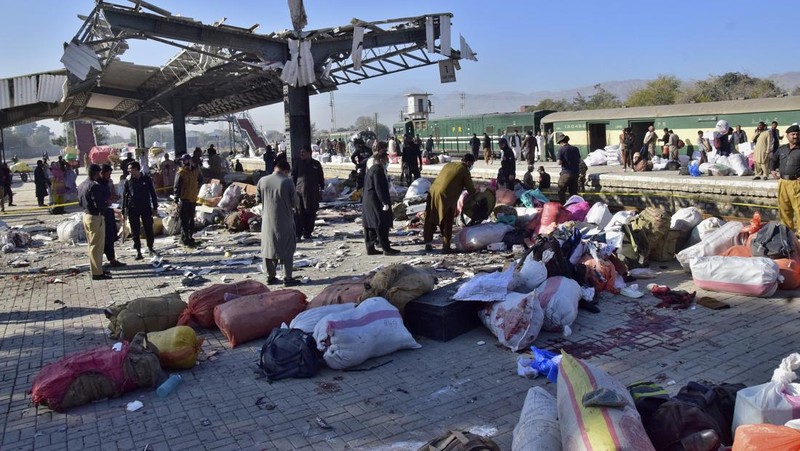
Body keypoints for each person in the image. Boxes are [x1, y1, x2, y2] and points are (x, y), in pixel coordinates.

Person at [257, 159, 301, 286]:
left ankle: (270, 277)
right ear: (285, 170)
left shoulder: (262, 181)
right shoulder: (287, 182)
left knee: (269, 248)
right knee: (286, 248)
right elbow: (295, 203)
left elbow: (258, 199)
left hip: (267, 221)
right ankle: (287, 278)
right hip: (284, 220)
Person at [423, 154, 476, 254]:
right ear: (468, 162)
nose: (471, 166)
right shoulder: (464, 170)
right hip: (445, 197)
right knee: (447, 220)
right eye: (472, 164)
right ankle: (446, 246)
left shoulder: (449, 165)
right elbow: (471, 190)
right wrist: (477, 194)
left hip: (433, 192)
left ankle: (428, 243)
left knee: (430, 217)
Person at [362, 152, 400, 256]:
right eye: (386, 159)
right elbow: (379, 188)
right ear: (382, 159)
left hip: (368, 201)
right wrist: (384, 202)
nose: (387, 161)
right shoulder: (378, 171)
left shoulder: (372, 169)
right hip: (376, 202)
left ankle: (370, 248)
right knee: (381, 225)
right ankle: (386, 249)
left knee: (370, 225)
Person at [77, 164, 111, 280]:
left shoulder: (82, 185)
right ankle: (97, 273)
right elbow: (99, 204)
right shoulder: (94, 186)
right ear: (96, 174)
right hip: (95, 217)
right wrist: (107, 205)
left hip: (86, 215)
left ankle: (97, 269)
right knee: (97, 246)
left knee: (92, 245)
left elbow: (80, 202)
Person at [124, 161, 159, 259]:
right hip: (133, 208)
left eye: (130, 169)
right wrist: (124, 211)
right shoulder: (128, 180)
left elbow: (153, 193)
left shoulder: (146, 179)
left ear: (136, 169)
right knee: (135, 230)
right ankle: (138, 251)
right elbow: (125, 196)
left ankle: (150, 248)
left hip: (146, 207)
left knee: (148, 228)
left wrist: (155, 207)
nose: (128, 171)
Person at [770, 124, 800, 232]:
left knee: (799, 210)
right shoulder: (782, 149)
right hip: (782, 183)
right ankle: (788, 233)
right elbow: (773, 159)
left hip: (796, 183)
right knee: (784, 209)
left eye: (797, 134)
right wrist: (772, 170)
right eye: (793, 134)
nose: (795, 136)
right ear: (787, 136)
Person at [291, 146, 325, 240]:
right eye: (301, 152)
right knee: (299, 213)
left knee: (311, 212)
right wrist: (292, 190)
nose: (301, 154)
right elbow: (293, 176)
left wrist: (322, 189)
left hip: (312, 193)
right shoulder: (297, 163)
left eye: (304, 152)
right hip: (299, 192)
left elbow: (321, 177)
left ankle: (308, 232)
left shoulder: (316, 164)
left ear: (309, 153)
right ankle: (298, 233)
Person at [100, 164, 126, 268]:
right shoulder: (96, 184)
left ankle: (112, 259)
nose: (109, 177)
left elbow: (111, 194)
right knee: (103, 238)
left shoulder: (108, 182)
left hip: (109, 212)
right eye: (108, 175)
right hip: (101, 215)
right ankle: (99, 261)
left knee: (110, 237)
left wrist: (115, 198)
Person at [173, 153, 202, 246]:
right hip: (184, 199)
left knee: (191, 220)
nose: (183, 162)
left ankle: (190, 237)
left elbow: (200, 179)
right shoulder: (181, 173)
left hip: (193, 198)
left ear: (189, 161)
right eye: (183, 161)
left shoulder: (195, 171)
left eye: (185, 160)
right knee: (184, 221)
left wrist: (196, 189)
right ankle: (184, 238)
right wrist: (176, 198)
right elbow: (176, 187)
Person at [556, 135, 581, 204]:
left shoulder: (561, 149)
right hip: (575, 173)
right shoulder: (575, 148)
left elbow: (559, 162)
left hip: (566, 173)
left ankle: (563, 206)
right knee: (573, 192)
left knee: (561, 191)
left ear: (561, 142)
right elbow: (579, 160)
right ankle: (574, 206)